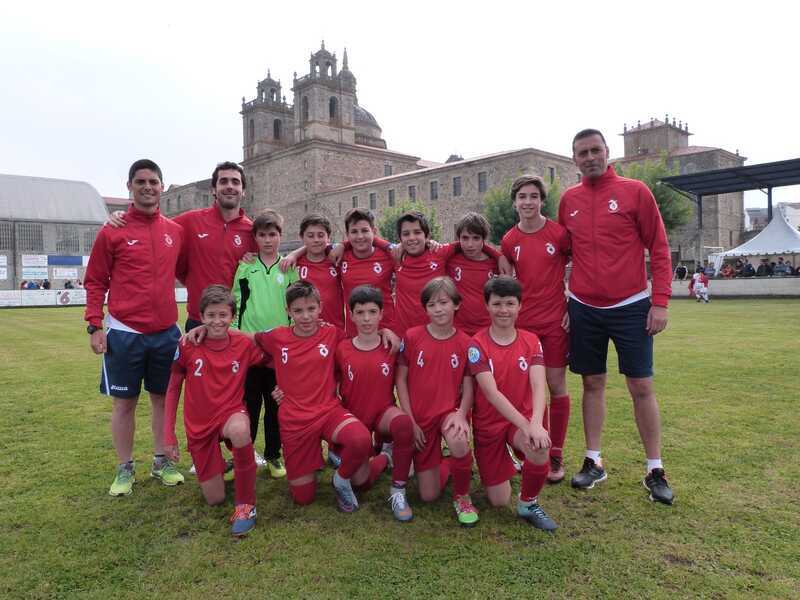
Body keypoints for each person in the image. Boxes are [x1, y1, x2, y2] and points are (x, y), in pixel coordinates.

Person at [558, 129, 674, 505]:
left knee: (641, 386)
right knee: (592, 382)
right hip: (584, 307)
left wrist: (660, 302)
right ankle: (593, 461)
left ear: (607, 152)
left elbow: (659, 247)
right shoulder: (569, 199)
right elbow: (560, 253)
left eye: (596, 150)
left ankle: (655, 468)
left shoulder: (635, 191)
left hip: (631, 305)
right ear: (574, 159)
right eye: (583, 152)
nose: (590, 157)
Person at [84, 159, 185, 496]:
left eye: (153, 182)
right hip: (125, 333)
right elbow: (95, 280)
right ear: (130, 186)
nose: (147, 187)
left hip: (165, 333)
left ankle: (161, 462)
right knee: (124, 403)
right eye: (140, 181)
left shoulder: (174, 231)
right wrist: (94, 325)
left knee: (162, 400)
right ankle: (125, 468)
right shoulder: (112, 230)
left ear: (161, 187)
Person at [163, 286, 262, 536]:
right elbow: (173, 388)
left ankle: (246, 506)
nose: (217, 321)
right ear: (201, 316)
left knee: (240, 430)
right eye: (211, 315)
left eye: (223, 315)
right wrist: (169, 435)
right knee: (215, 498)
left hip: (230, 413)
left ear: (232, 316)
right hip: (199, 424)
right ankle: (224, 465)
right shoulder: (187, 344)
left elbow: (277, 354)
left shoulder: (243, 343)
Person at [468, 276, 557, 531]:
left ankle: (528, 504)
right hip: (489, 424)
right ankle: (507, 459)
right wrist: (528, 426)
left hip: (521, 420)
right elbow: (492, 393)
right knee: (498, 501)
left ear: (520, 306)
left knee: (539, 447)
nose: (503, 310)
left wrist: (535, 424)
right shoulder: (477, 344)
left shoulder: (531, 340)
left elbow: (539, 385)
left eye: (509, 303)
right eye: (497, 304)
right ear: (487, 306)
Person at [502, 175, 572, 484]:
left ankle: (555, 453)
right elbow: (505, 272)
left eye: (533, 196)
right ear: (514, 202)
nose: (528, 202)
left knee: (556, 385)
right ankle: (529, 447)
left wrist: (572, 304)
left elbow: (580, 264)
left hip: (555, 321)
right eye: (522, 197)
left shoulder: (559, 234)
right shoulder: (509, 240)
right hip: (525, 325)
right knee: (527, 390)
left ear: (542, 201)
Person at [395, 276, 477, 526]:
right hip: (420, 418)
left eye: (443, 302)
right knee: (428, 495)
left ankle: (462, 496)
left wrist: (461, 414)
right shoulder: (412, 336)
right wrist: (410, 421)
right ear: (425, 309)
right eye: (431, 304)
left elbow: (469, 384)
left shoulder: (466, 342)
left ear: (456, 304)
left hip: (449, 413)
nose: (438, 309)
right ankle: (452, 464)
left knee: (458, 439)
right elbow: (401, 380)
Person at [334, 285, 415, 521]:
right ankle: (386, 457)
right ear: (351, 315)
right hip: (354, 419)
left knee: (403, 425)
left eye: (372, 312)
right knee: (361, 483)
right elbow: (328, 381)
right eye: (360, 313)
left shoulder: (392, 346)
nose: (367, 318)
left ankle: (398, 490)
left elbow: (408, 376)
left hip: (382, 413)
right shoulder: (342, 348)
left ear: (381, 314)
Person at [231, 210, 298, 478]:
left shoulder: (289, 268)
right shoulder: (246, 267)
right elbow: (237, 303)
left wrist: (290, 342)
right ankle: (244, 455)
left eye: (272, 234)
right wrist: (236, 339)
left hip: (278, 351)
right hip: (249, 348)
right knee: (249, 405)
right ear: (255, 238)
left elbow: (296, 307)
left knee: (275, 405)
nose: (268, 240)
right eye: (262, 235)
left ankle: (273, 454)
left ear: (280, 236)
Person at [446, 212, 499, 337]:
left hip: (487, 329)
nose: (470, 244)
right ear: (458, 238)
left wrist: (499, 256)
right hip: (456, 329)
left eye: (476, 238)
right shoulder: (449, 259)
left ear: (483, 239)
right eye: (465, 238)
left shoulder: (495, 263)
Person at [296, 214, 345, 329]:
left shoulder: (338, 260)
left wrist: (342, 245)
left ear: (328, 237)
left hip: (335, 329)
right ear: (302, 237)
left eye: (321, 235)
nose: (316, 240)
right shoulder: (294, 264)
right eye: (310, 236)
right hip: (305, 331)